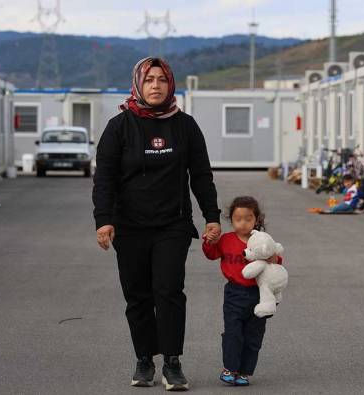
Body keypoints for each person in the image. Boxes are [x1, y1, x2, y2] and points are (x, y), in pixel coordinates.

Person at [92, 57, 222, 391]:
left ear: (171, 84)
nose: (155, 85)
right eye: (149, 79)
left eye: (162, 79)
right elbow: (104, 179)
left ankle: (172, 363)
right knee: (137, 295)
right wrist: (104, 220)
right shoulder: (119, 126)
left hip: (172, 225)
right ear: (138, 83)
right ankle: (144, 360)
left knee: (168, 292)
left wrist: (212, 217)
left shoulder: (185, 126)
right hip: (130, 226)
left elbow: (201, 176)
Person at [202, 196, 282, 387]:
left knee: (253, 336)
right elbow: (211, 254)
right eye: (238, 219)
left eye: (248, 218)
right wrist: (209, 241)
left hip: (258, 294)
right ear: (231, 219)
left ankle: (245, 371)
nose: (243, 223)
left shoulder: (262, 240)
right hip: (234, 293)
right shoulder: (227, 240)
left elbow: (277, 262)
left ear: (257, 220)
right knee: (233, 333)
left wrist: (273, 258)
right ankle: (230, 368)